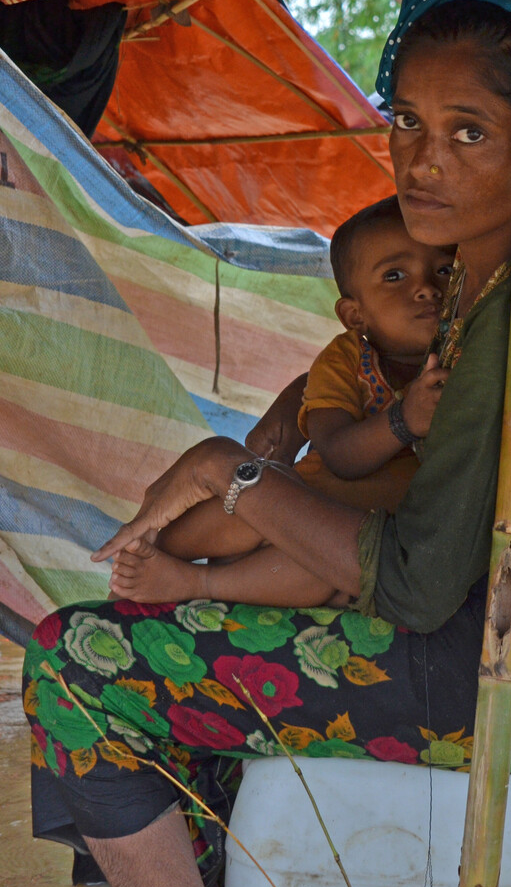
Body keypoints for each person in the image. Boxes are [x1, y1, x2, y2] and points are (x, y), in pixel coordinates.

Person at [23, 0, 511, 887]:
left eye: (469, 132)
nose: (422, 162)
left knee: (75, 663)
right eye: (408, 121)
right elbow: (372, 385)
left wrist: (234, 473)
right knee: (179, 621)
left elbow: (413, 586)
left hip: (484, 676)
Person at [123, 195, 455, 608]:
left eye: (444, 270)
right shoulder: (345, 360)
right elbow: (337, 454)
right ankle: (153, 550)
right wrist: (403, 421)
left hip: (349, 543)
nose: (426, 288)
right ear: (354, 316)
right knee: (255, 497)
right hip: (297, 503)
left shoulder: (464, 366)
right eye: (395, 276)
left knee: (318, 574)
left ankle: (196, 582)